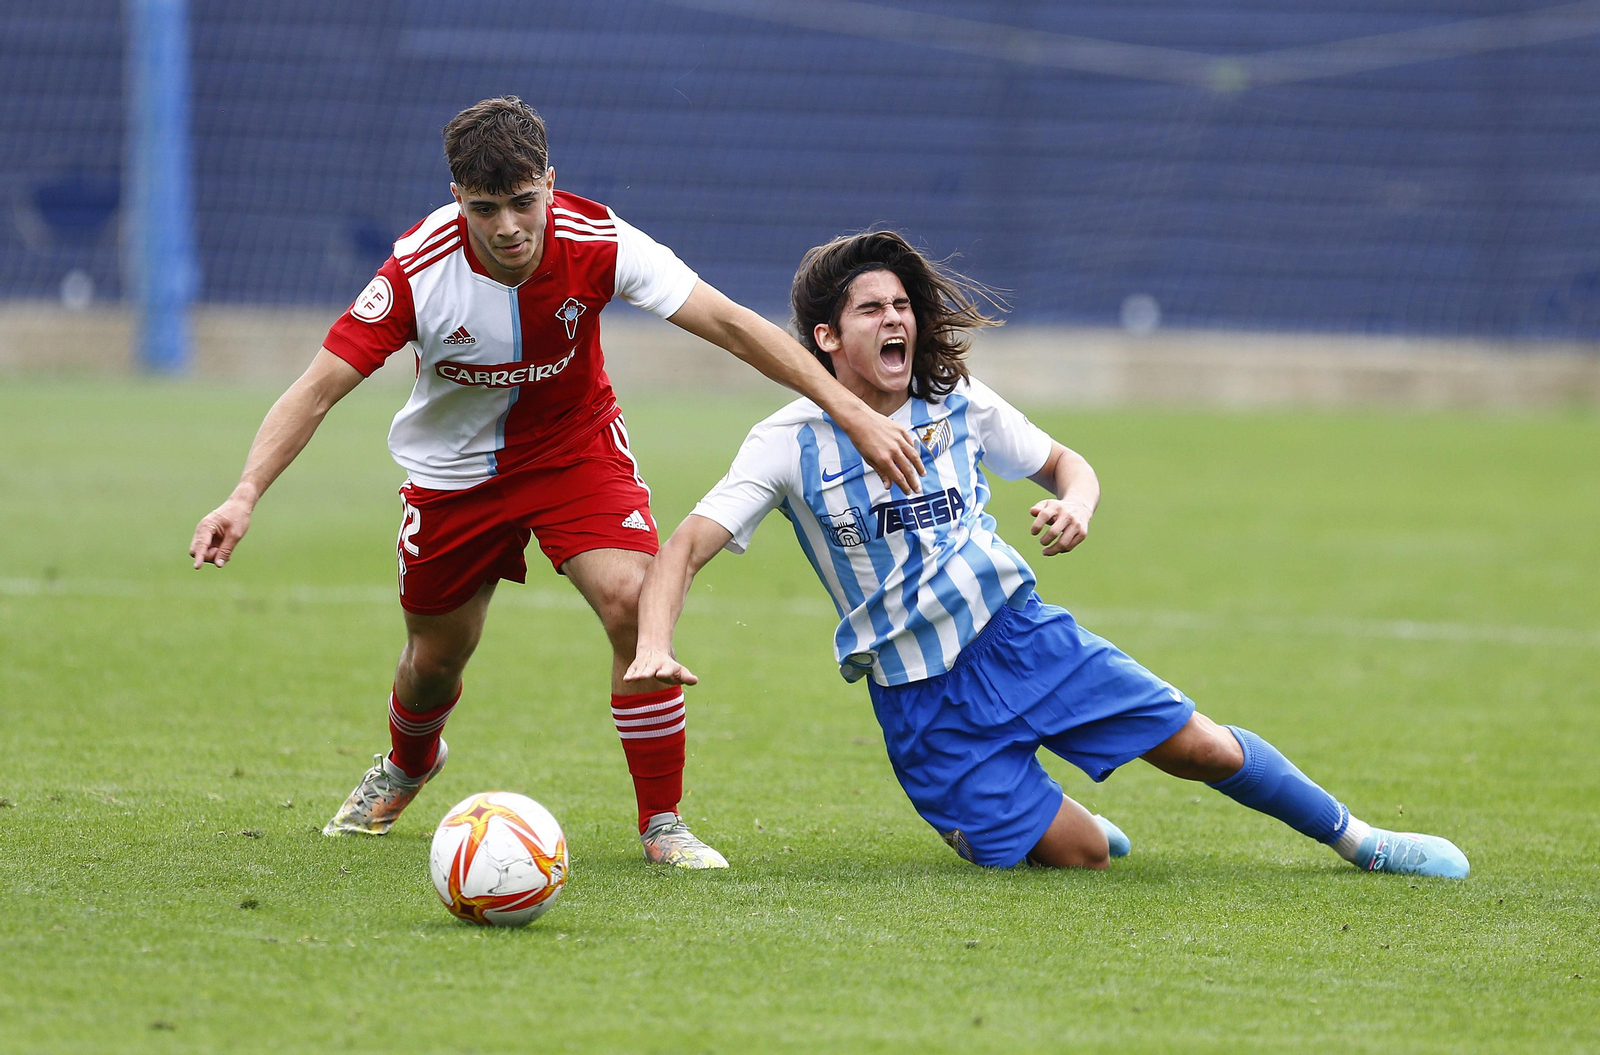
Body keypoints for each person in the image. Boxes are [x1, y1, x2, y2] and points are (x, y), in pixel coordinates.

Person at [188, 98, 925, 869]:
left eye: (522, 202)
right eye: (484, 208)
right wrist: (244, 493)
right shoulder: (417, 268)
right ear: (456, 200)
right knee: (435, 656)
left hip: (574, 450)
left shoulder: (600, 240)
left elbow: (735, 325)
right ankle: (409, 761)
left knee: (634, 604)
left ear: (549, 182)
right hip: (452, 474)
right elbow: (315, 388)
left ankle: (662, 822)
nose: (507, 226)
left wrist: (851, 412)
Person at [625, 230, 1470, 876]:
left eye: (901, 305)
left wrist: (1077, 503)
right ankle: (1059, 816)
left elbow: (1071, 462)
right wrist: (655, 644)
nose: (898, 320)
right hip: (925, 707)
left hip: (1022, 638)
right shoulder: (784, 444)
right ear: (824, 339)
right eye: (872, 310)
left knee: (1200, 748)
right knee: (1085, 858)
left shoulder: (952, 399)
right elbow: (682, 549)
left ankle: (1364, 841)